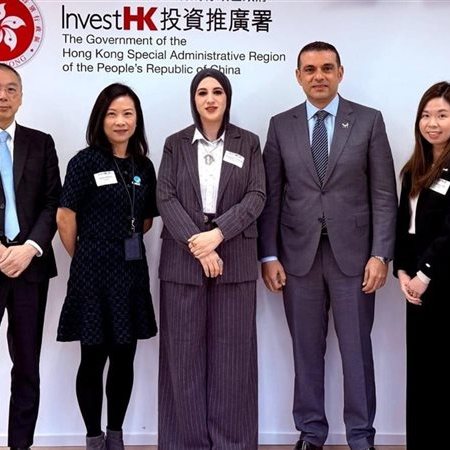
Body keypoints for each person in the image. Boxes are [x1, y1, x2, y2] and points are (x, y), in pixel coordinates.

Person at [257, 42, 398, 450]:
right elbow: (272, 195)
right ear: (298, 76)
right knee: (305, 351)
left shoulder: (368, 121)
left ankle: (361, 437)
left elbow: (383, 194)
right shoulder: (280, 125)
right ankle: (311, 433)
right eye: (310, 69)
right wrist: (269, 254)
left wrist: (380, 254)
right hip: (297, 258)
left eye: (326, 68)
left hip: (354, 259)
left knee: (357, 352)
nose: (318, 76)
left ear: (340, 72)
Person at [157, 68, 265, 450]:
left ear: (227, 97)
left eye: (217, 91)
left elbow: (257, 196)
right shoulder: (175, 144)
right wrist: (198, 244)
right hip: (182, 262)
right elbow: (165, 196)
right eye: (202, 92)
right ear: (194, 99)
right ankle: (185, 443)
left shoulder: (248, 142)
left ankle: (232, 443)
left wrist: (217, 234)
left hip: (234, 257)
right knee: (182, 358)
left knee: (233, 360)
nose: (210, 99)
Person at [56, 83, 158, 450]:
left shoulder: (143, 166)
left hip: (130, 272)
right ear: (100, 119)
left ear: (137, 120)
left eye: (128, 114)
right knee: (92, 357)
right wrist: (86, 254)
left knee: (124, 356)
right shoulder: (84, 162)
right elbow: (65, 217)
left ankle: (116, 435)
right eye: (112, 114)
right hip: (92, 273)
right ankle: (93, 438)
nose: (120, 121)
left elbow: (146, 220)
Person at [0, 63, 61, 450]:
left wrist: (30, 248)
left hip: (29, 266)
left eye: (11, 89)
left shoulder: (41, 143)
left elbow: (53, 202)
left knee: (26, 366)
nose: (2, 96)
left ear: (21, 97)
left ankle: (20, 445)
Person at [394, 81, 450, 450]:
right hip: (415, 285)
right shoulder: (413, 169)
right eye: (426, 115)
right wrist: (403, 271)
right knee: (421, 373)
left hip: (440, 279)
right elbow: (404, 227)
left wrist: (425, 273)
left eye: (442, 115)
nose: (432, 123)